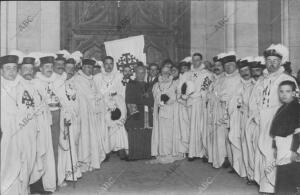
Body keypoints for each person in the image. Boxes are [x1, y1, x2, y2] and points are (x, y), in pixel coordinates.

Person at [257, 44, 297, 193]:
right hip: (263, 120)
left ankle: (274, 186)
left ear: (281, 62)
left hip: (279, 121)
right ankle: (266, 184)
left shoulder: (286, 78)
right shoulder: (264, 78)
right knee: (265, 152)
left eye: (275, 60)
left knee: (275, 154)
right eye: (269, 60)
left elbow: (294, 103)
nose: (272, 63)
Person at [34, 54, 66, 187]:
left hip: (57, 115)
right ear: (40, 68)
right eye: (46, 67)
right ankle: (40, 182)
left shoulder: (58, 80)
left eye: (51, 66)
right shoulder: (36, 82)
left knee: (55, 148)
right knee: (42, 148)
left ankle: (55, 179)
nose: (49, 69)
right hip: (42, 118)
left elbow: (63, 99)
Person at [72, 58, 106, 171]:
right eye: (87, 67)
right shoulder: (78, 79)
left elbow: (97, 92)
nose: (89, 69)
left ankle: (92, 160)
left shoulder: (91, 79)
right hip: (83, 112)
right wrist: (98, 97)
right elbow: (89, 95)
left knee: (93, 136)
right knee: (85, 137)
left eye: (91, 67)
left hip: (92, 112)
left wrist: (100, 96)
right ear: (82, 67)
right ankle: (84, 163)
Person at [1, 54, 27, 195]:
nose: (11, 71)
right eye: (8, 68)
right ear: (1, 70)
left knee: (18, 160)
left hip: (19, 131)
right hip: (3, 132)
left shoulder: (21, 85)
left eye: (14, 68)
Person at [269, 80, 300, 194]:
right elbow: (276, 130)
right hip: (281, 145)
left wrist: (294, 150)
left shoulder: (296, 107)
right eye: (281, 91)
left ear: (293, 93)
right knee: (282, 173)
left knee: (289, 173)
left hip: (290, 144)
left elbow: (298, 131)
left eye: (287, 91)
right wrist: (275, 147)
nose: (284, 94)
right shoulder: (283, 107)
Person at [180, 53, 213, 162]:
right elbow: (182, 87)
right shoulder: (187, 74)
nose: (195, 62)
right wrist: (184, 95)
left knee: (201, 127)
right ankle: (192, 152)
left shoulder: (206, 74)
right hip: (189, 103)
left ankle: (203, 152)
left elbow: (206, 88)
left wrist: (200, 96)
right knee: (191, 127)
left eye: (198, 60)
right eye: (193, 60)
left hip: (200, 103)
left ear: (201, 60)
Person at [56, 54, 82, 187]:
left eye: (72, 68)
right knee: (65, 145)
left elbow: (77, 101)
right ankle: (63, 173)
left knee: (73, 143)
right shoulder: (59, 82)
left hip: (74, 118)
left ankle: (72, 172)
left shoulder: (74, 82)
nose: (70, 71)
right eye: (68, 68)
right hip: (64, 119)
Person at [151, 65, 185, 164]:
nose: (165, 75)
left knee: (172, 132)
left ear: (170, 73)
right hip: (161, 111)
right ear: (160, 73)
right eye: (163, 72)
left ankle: (172, 153)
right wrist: (160, 99)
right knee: (162, 132)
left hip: (172, 111)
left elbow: (177, 96)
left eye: (167, 72)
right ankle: (163, 153)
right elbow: (155, 97)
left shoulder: (175, 84)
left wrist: (168, 99)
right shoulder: (156, 85)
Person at [125, 65, 153, 160]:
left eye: (143, 73)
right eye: (139, 72)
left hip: (147, 112)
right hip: (136, 113)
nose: (141, 75)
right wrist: (134, 112)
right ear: (135, 73)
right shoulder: (131, 84)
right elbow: (129, 99)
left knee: (146, 131)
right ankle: (135, 155)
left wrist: (147, 98)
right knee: (135, 133)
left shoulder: (147, 84)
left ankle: (146, 154)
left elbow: (151, 99)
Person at [245, 56, 265, 185]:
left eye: (258, 69)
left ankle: (261, 178)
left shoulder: (265, 83)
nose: (255, 71)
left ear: (262, 70)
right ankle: (252, 175)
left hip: (261, 121)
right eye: (253, 69)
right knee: (250, 147)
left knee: (260, 149)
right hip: (249, 120)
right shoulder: (249, 83)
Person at [207, 53, 226, 166]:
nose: (217, 67)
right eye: (215, 65)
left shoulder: (224, 79)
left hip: (221, 110)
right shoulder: (213, 78)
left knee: (221, 135)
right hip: (213, 109)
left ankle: (222, 160)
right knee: (214, 134)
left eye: (219, 65)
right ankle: (215, 158)